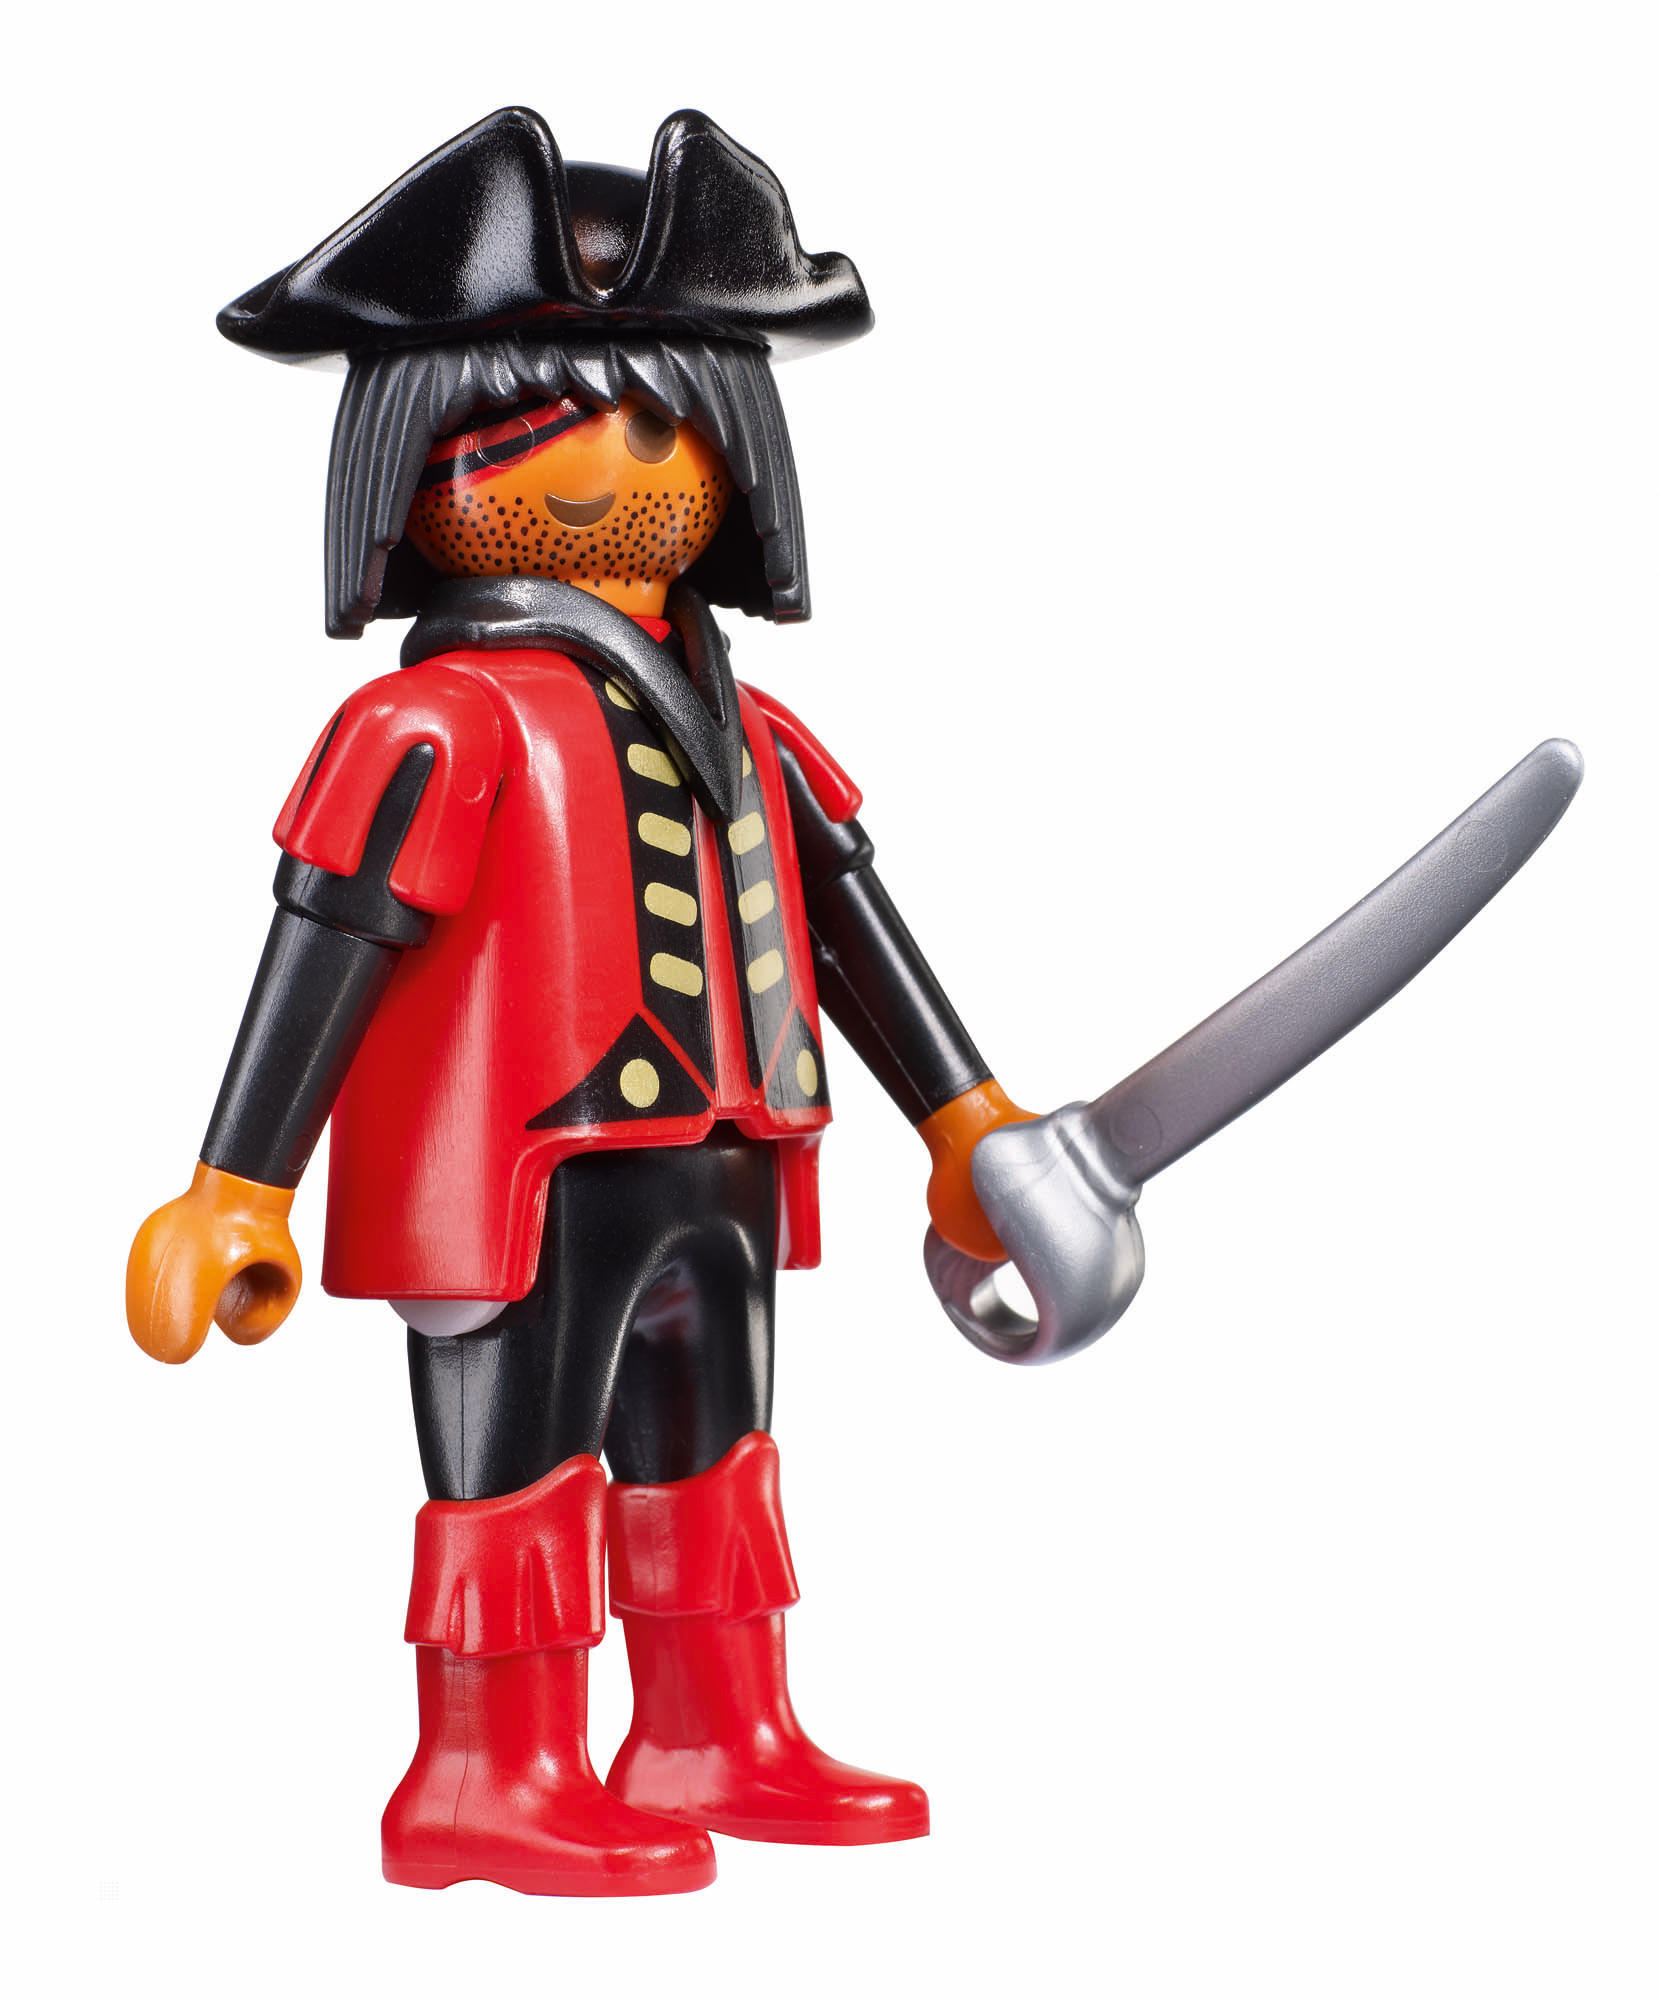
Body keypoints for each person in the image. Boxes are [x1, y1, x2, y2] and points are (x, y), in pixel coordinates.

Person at [126, 106, 1031, 1897]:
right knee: (520, 1473)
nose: (614, 458)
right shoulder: (434, 724)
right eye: (534, 421)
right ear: (414, 460)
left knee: (718, 1455)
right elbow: (328, 938)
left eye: (658, 415)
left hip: (725, 1156)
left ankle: (716, 1728)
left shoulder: (751, 728)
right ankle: (485, 1770)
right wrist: (235, 1184)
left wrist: (966, 1120)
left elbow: (855, 928)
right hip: (520, 1176)